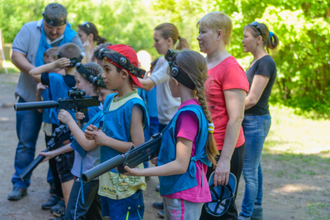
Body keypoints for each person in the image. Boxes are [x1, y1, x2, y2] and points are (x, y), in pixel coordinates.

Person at [124, 49, 219, 220]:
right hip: (180, 189)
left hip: (183, 192)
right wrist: (162, 158)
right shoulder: (189, 109)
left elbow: (181, 165)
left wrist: (140, 173)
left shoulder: (187, 115)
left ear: (175, 80)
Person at [9, 2, 83, 201]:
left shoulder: (72, 36)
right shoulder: (29, 29)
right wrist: (42, 74)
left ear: (65, 24)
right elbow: (15, 56)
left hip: (61, 106)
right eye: (50, 27)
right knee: (26, 142)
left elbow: (81, 63)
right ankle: (20, 182)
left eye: (59, 28)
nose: (54, 31)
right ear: (44, 20)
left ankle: (55, 189)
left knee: (56, 145)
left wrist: (48, 75)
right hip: (30, 97)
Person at [84, 44, 149, 220]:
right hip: (108, 178)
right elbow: (110, 131)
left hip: (126, 183)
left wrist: (104, 140)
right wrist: (95, 132)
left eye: (107, 69)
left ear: (124, 74)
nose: (102, 75)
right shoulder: (110, 99)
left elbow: (139, 148)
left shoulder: (134, 105)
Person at [40, 63, 112, 220]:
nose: (76, 85)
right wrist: (54, 153)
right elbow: (80, 141)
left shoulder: (98, 111)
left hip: (88, 172)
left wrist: (70, 122)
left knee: (72, 215)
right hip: (91, 170)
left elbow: (85, 144)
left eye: (79, 82)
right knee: (93, 215)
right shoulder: (98, 110)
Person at [197, 11, 249, 220]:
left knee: (220, 211)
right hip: (205, 148)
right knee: (205, 209)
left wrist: (225, 161)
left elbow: (236, 118)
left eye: (203, 32)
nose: (198, 37)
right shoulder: (203, 65)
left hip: (225, 151)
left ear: (219, 34)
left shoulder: (231, 68)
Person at [30, 43, 82, 218]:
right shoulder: (82, 80)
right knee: (68, 165)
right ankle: (62, 197)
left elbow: (33, 72)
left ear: (62, 60)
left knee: (59, 165)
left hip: (58, 127)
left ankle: (64, 200)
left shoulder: (54, 78)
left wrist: (54, 65)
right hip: (75, 128)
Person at [238, 22, 279, 220]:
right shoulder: (256, 62)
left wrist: (231, 111)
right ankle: (256, 210)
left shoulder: (265, 62)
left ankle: (246, 216)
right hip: (251, 120)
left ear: (259, 39)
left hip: (256, 120)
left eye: (246, 36)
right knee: (255, 166)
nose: (242, 40)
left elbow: (252, 99)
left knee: (250, 171)